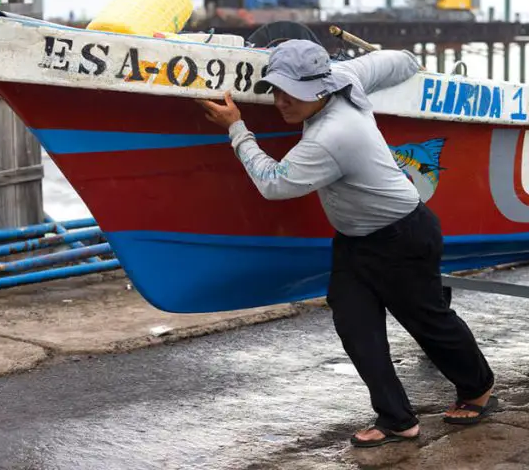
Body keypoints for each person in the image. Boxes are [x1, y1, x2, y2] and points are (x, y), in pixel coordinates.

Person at [196, 40, 497, 448]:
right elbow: (396, 60)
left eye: (292, 93)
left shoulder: (333, 135)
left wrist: (236, 128)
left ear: (320, 89)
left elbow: (274, 183)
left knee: (428, 321)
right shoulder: (346, 77)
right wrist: (412, 60)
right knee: (356, 328)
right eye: (276, 89)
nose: (281, 101)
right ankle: (397, 419)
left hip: (403, 236)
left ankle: (478, 387)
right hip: (356, 241)